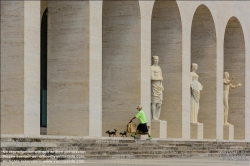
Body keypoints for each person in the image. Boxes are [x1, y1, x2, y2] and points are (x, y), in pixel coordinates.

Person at [151, 56, 164, 120]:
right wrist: (159, 78)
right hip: (154, 85)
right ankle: (153, 116)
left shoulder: (159, 68)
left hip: (159, 86)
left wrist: (161, 85)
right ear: (153, 60)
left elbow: (161, 79)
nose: (156, 60)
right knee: (154, 102)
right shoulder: (151, 68)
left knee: (159, 103)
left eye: (157, 59)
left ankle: (157, 116)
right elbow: (152, 77)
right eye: (155, 59)